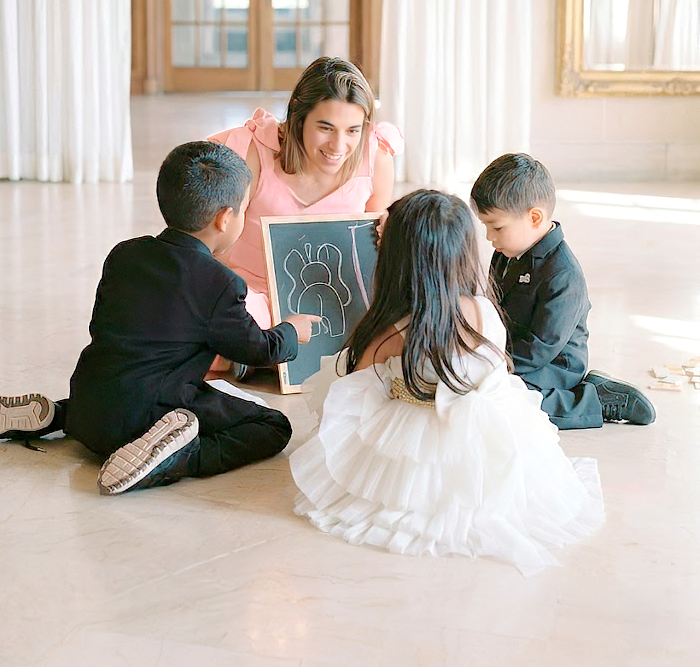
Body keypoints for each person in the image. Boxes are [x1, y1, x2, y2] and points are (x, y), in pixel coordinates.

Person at [0, 141, 318, 495]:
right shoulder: (219, 283)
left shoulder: (124, 255)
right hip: (144, 421)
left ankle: (56, 416)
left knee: (124, 387)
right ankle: (179, 457)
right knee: (272, 426)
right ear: (225, 218)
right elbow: (256, 350)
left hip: (88, 404)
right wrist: (290, 331)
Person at [289, 190, 605, 576]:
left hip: (423, 427)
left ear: (398, 263)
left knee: (350, 395)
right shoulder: (484, 309)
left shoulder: (400, 329)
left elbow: (353, 380)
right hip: (495, 428)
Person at [208, 56, 403, 375]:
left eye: (353, 130)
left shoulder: (375, 157)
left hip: (339, 296)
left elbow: (375, 250)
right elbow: (208, 234)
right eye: (325, 128)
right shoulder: (257, 151)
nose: (339, 145)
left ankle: (262, 351)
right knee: (219, 323)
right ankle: (256, 347)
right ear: (299, 118)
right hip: (255, 293)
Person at [470, 153, 655, 429]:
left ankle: (595, 400)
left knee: (503, 402)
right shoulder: (507, 251)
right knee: (479, 387)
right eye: (486, 227)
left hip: (554, 365)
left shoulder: (562, 274)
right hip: (513, 353)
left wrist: (494, 363)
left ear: (534, 217)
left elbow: (540, 348)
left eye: (496, 227)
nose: (489, 237)